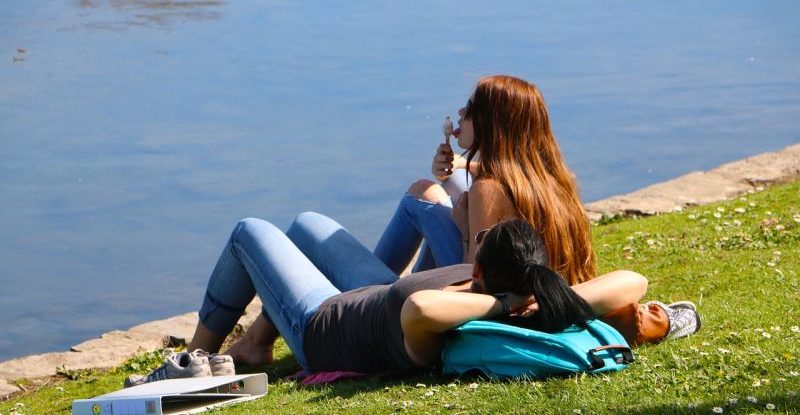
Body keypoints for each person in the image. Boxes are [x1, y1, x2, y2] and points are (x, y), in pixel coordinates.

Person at [171, 215, 649, 377]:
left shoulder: (444, 322)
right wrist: (537, 299)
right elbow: (634, 281)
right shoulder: (527, 299)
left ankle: (196, 358)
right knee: (306, 223)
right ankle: (255, 342)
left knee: (248, 232)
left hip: (321, 326)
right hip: (374, 292)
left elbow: (419, 306)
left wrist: (504, 306)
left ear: (480, 267)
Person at [373, 75, 594, 287]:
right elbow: (506, 173)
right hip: (540, 289)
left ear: (491, 123)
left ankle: (370, 290)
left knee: (419, 196)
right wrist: (458, 165)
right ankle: (413, 286)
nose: (460, 112)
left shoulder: (487, 191)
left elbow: (472, 280)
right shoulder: (554, 179)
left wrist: (465, 229)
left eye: (470, 110)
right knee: (452, 180)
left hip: (492, 297)